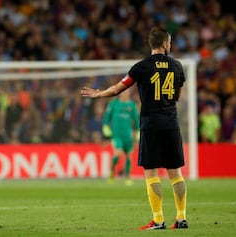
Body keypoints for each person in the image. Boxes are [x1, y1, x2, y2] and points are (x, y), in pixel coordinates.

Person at [81, 27, 188, 230]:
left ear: (152, 44)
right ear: (165, 44)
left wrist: (99, 94)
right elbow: (177, 95)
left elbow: (118, 88)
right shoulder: (177, 66)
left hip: (151, 124)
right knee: (175, 172)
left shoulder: (141, 67)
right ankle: (181, 218)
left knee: (152, 172)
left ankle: (158, 220)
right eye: (170, 42)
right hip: (171, 123)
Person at [102, 89, 139, 185]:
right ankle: (112, 172)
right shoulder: (113, 104)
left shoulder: (132, 105)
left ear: (129, 93)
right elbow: (107, 117)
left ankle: (127, 177)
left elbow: (136, 120)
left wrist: (139, 131)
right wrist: (106, 127)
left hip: (127, 135)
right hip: (116, 134)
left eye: (126, 92)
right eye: (122, 92)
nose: (124, 94)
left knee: (128, 156)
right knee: (118, 153)